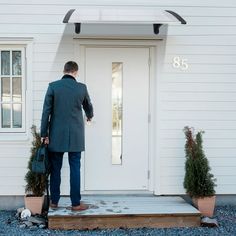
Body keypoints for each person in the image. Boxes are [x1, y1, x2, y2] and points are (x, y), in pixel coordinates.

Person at [40, 61, 93, 211]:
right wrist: (89, 116)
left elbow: (46, 113)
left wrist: (44, 134)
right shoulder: (81, 88)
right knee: (75, 168)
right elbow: (88, 106)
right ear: (75, 72)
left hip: (56, 135)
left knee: (55, 168)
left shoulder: (53, 86)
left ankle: (54, 202)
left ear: (64, 71)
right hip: (76, 135)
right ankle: (76, 203)